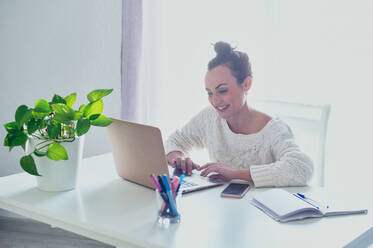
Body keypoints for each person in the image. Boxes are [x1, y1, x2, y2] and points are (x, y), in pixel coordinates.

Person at [164, 41, 313, 187]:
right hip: (220, 205)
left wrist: (237, 173)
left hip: (260, 209)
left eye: (222, 91)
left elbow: (302, 168)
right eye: (210, 93)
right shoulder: (209, 117)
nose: (215, 101)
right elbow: (174, 141)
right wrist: (178, 158)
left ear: (246, 84)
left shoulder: (274, 129)